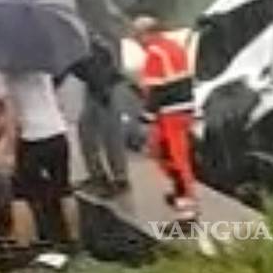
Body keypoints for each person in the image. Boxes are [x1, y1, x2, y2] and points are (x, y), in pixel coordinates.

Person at [0, 68, 78, 246]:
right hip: (58, 134)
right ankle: (74, 241)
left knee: (20, 195)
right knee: (64, 189)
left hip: (32, 138)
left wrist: (9, 151)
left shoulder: (5, 73)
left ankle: (26, 244)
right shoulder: (42, 66)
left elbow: (12, 116)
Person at [133, 16, 198, 221]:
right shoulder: (174, 47)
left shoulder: (154, 53)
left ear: (149, 33)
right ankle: (182, 193)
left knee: (172, 158)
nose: (136, 41)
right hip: (183, 110)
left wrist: (147, 118)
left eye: (138, 35)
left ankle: (187, 212)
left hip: (169, 113)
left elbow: (155, 91)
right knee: (173, 155)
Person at [72, 37, 130, 196]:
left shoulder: (87, 44)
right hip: (93, 87)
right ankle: (97, 176)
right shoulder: (68, 46)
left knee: (111, 135)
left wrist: (104, 94)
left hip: (106, 87)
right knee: (85, 133)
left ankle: (120, 179)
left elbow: (100, 69)